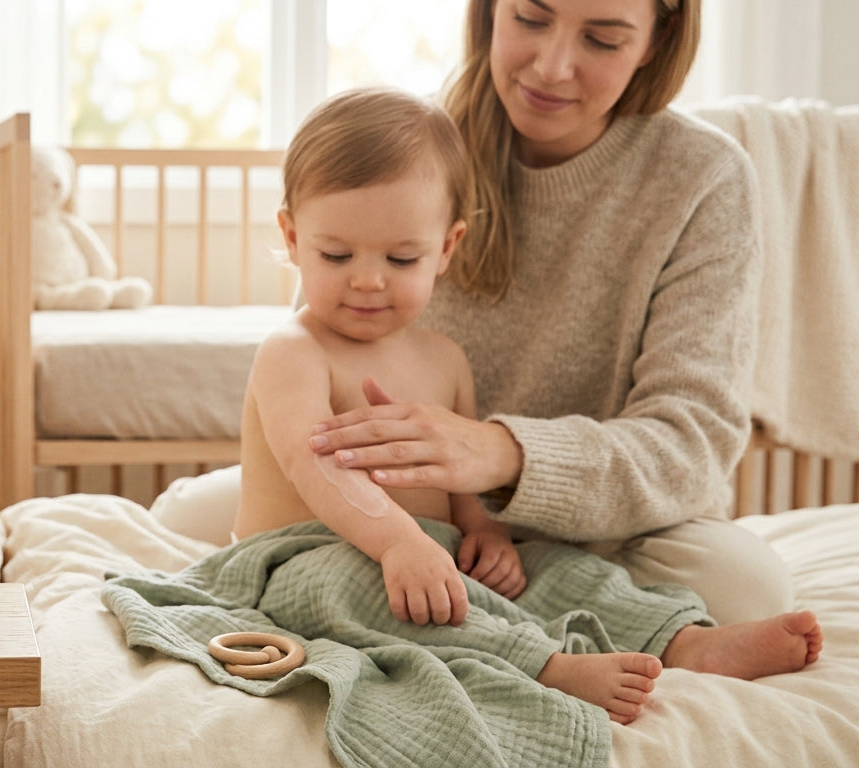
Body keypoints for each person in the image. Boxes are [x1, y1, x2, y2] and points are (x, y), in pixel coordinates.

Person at [154, 0, 786, 626]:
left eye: (601, 39)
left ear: (656, 39)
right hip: (382, 514)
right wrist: (402, 534)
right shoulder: (411, 143)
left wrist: (501, 456)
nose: (551, 67)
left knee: (744, 590)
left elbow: (691, 445)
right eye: (531, 20)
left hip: (598, 527)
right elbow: (326, 354)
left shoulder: (705, 177)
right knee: (179, 522)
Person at [236, 85, 820, 725]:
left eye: (402, 258)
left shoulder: (442, 359)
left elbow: (458, 488)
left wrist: (487, 537)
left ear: (447, 249)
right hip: (304, 557)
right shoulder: (293, 349)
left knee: (551, 570)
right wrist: (400, 545)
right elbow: (313, 464)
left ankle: (682, 640)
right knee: (364, 590)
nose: (368, 278)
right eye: (336, 254)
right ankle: (546, 665)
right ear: (292, 238)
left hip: (427, 548)